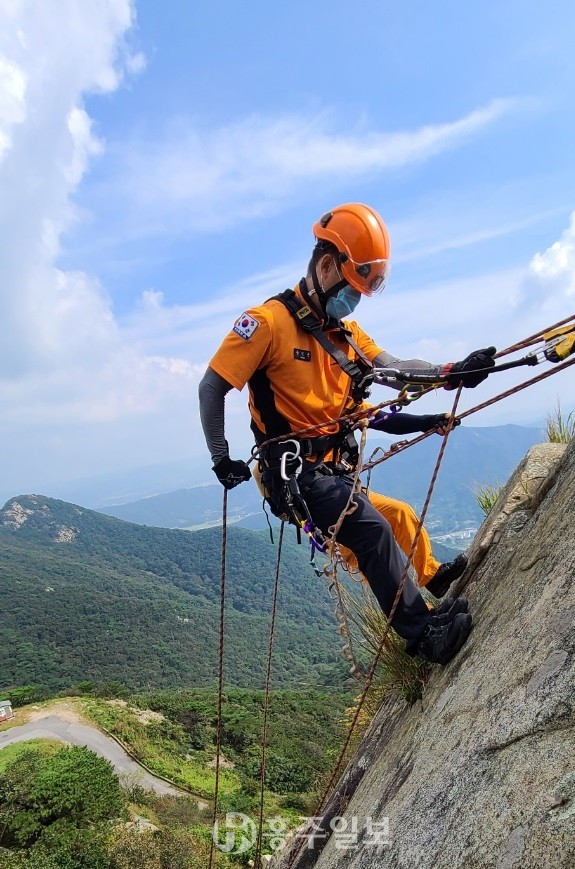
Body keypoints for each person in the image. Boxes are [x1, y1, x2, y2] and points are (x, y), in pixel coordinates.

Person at [198, 203, 496, 665]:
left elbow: (395, 371)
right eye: (352, 289)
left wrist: (452, 373)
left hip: (331, 472)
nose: (354, 300)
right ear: (325, 266)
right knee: (373, 531)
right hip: (294, 476)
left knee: (395, 516)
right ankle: (422, 635)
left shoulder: (346, 337)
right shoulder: (268, 323)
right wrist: (221, 456)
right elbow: (212, 385)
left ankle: (432, 590)